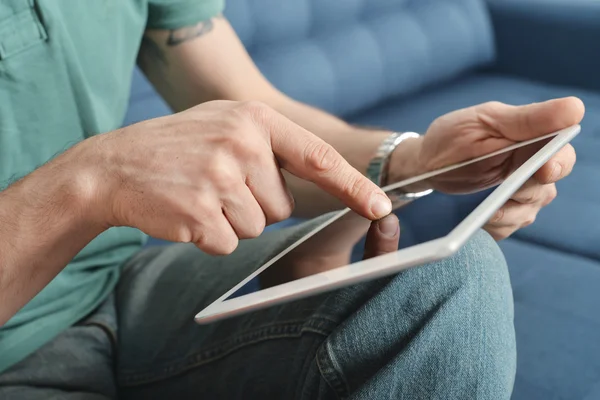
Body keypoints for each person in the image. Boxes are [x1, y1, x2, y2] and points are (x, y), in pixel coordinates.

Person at [0, 1, 583, 399]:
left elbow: (251, 110)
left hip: (116, 282)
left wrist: (412, 163)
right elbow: (96, 180)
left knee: (453, 276)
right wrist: (90, 182)